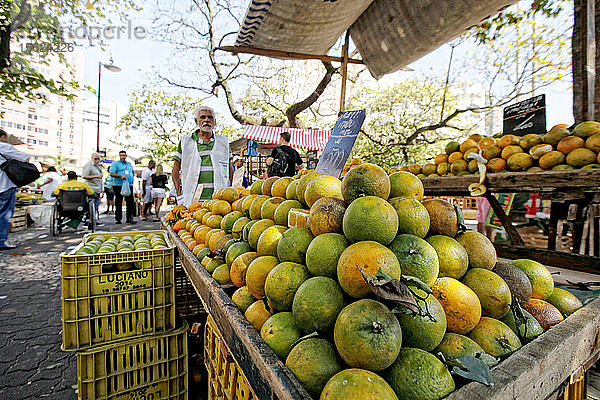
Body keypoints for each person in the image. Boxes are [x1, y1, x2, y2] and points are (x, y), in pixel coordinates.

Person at [172, 106, 233, 206]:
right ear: (196, 121)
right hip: (192, 201)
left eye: (210, 117)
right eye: (203, 117)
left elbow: (230, 170)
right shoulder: (185, 141)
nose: (207, 120)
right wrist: (179, 195)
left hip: (218, 202)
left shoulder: (224, 142)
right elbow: (175, 170)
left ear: (215, 121)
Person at [0, 129, 29, 250]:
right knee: (4, 214)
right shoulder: (3, 146)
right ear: (2, 138)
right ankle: (1, 241)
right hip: (4, 185)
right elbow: (25, 158)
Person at [108, 150, 136, 224]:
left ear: (126, 156)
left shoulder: (129, 164)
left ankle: (130, 218)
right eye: (121, 155)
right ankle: (118, 218)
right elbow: (111, 173)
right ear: (119, 156)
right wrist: (120, 176)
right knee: (119, 201)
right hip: (118, 185)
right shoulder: (115, 164)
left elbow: (132, 172)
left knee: (130, 201)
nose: (123, 157)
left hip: (128, 185)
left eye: (124, 155)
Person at [82, 153, 104, 218]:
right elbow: (85, 176)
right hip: (91, 188)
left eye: (98, 159)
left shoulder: (99, 165)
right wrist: (96, 176)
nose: (97, 160)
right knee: (91, 206)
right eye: (95, 159)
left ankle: (95, 219)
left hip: (98, 189)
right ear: (92, 158)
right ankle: (89, 219)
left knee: (96, 205)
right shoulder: (89, 165)